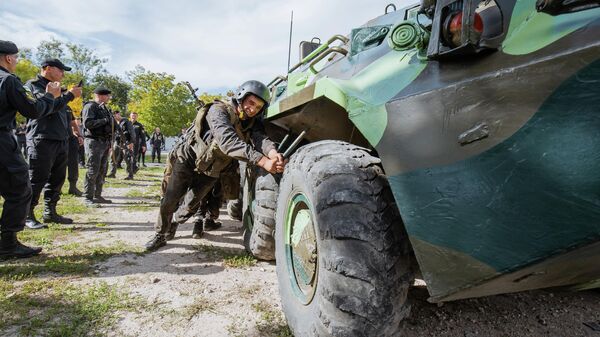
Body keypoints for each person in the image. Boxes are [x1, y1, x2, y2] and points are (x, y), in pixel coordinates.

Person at [144, 80, 285, 251]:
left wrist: (272, 153)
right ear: (241, 96)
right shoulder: (218, 110)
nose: (253, 109)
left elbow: (261, 139)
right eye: (251, 103)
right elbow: (228, 142)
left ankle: (174, 221)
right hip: (188, 159)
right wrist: (263, 161)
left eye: (258, 107)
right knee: (170, 199)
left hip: (211, 170)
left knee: (190, 206)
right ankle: (160, 234)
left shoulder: (251, 123)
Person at [0, 40, 62, 258]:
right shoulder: (9, 80)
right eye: (16, 58)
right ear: (8, 58)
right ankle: (7, 245)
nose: (16, 61)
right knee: (19, 190)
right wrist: (50, 96)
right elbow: (32, 110)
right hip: (3, 142)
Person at [24, 58, 82, 228]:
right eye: (61, 70)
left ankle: (50, 212)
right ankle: (28, 215)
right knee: (37, 178)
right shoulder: (33, 85)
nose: (63, 74)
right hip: (42, 139)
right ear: (48, 68)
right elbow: (44, 108)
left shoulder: (58, 89)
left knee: (57, 179)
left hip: (60, 139)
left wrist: (65, 96)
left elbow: (62, 112)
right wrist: (70, 96)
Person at [82, 86, 114, 207]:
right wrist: (104, 121)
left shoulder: (104, 108)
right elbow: (88, 123)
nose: (108, 98)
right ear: (100, 96)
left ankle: (97, 195)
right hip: (94, 142)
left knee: (102, 169)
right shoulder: (90, 106)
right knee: (92, 169)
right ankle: (88, 197)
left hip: (104, 142)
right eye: (107, 95)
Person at [107, 111, 136, 179]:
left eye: (115, 116)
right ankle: (112, 173)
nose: (114, 117)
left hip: (126, 142)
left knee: (127, 158)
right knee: (112, 157)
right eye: (113, 116)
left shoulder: (126, 121)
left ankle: (130, 175)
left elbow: (132, 132)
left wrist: (131, 142)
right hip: (117, 142)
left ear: (118, 114)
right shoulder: (115, 123)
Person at [66, 106, 84, 196]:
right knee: (55, 166)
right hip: (55, 140)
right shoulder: (48, 103)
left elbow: (73, 122)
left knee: (73, 163)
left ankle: (73, 187)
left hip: (70, 139)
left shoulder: (67, 107)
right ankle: (56, 189)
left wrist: (79, 135)